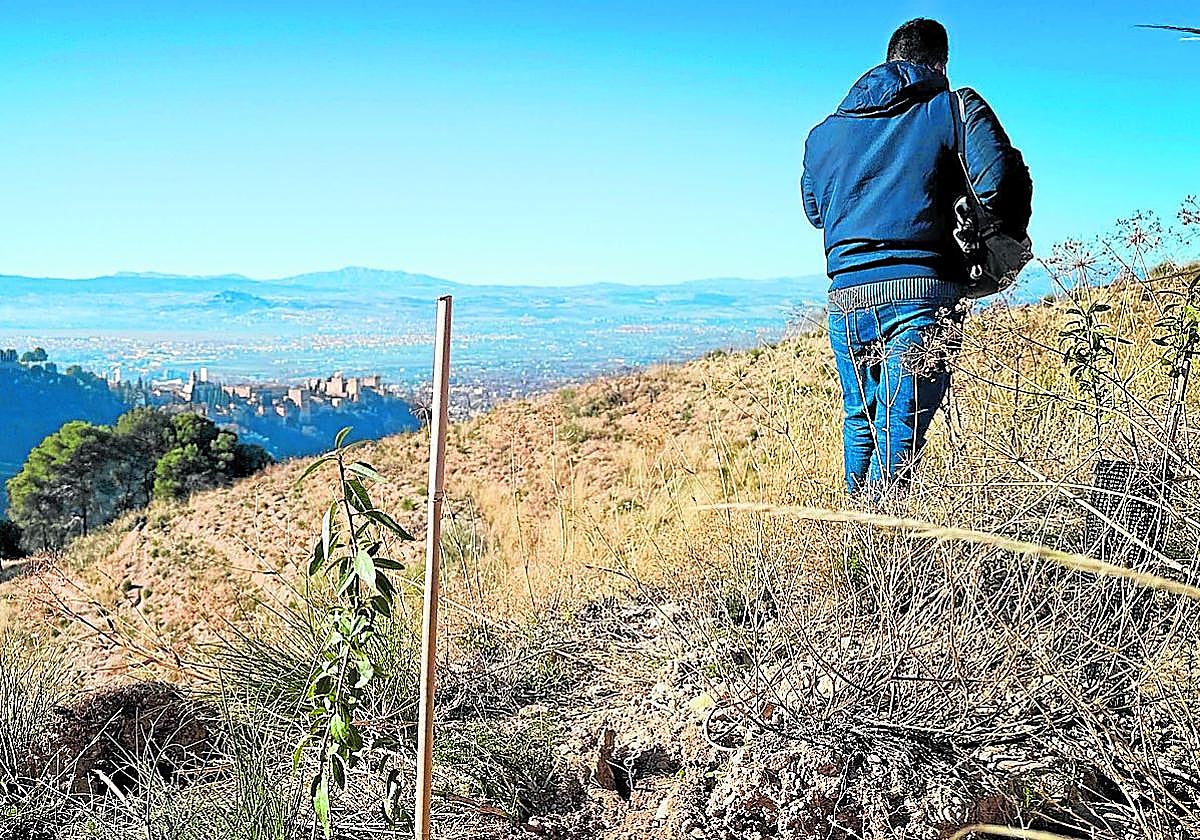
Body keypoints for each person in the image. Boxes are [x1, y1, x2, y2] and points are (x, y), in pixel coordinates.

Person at [800, 17, 1032, 499]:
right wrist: (984, 241)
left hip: (845, 301)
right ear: (940, 63)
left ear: (887, 60)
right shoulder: (951, 108)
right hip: (921, 294)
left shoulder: (824, 135)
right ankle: (889, 556)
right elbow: (1001, 182)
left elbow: (815, 212)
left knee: (861, 424)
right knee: (899, 440)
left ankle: (854, 550)